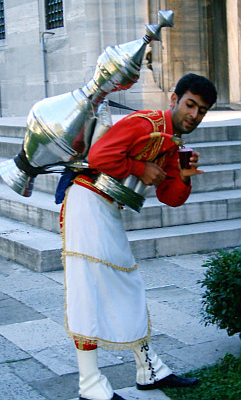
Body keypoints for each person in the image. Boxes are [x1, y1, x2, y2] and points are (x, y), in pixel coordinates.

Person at [60, 73, 217, 400]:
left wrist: (185, 177)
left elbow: (170, 198)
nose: (194, 115)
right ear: (174, 100)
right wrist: (139, 168)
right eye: (190, 105)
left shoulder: (175, 146)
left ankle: (149, 369)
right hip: (86, 202)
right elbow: (100, 156)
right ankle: (90, 386)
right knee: (87, 291)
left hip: (107, 209)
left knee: (127, 289)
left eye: (202, 110)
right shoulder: (145, 123)